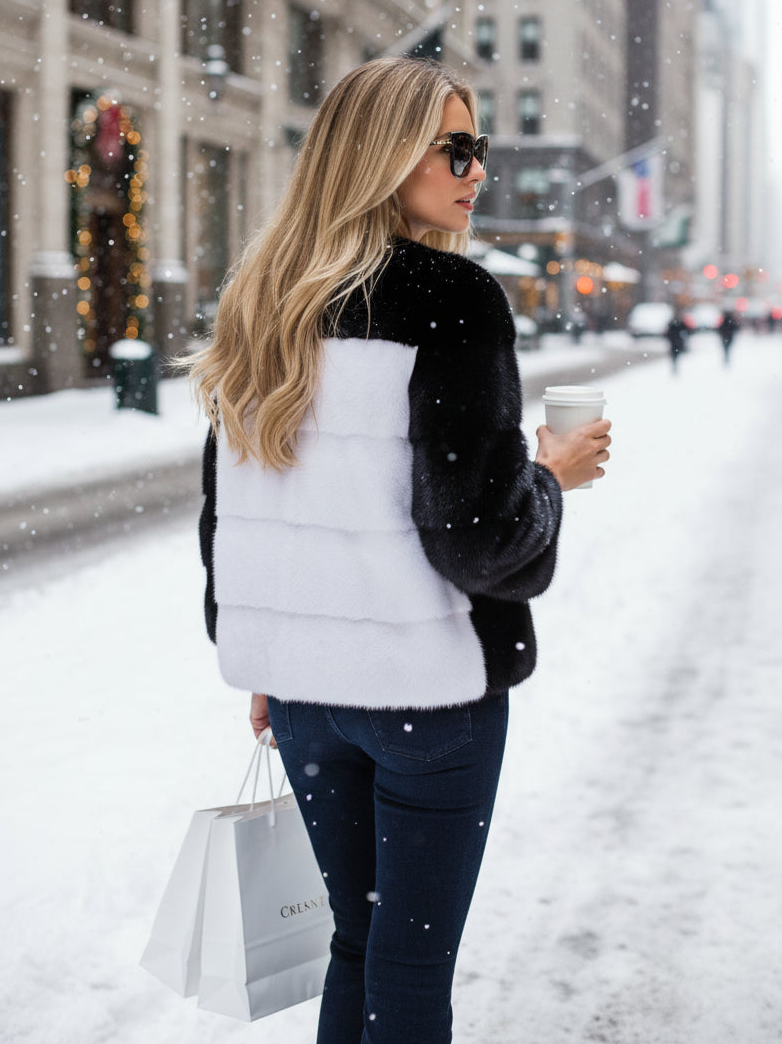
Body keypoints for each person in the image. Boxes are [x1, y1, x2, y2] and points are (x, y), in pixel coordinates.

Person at [188, 56, 612, 1044]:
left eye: (479, 149)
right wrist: (550, 474)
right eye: (453, 148)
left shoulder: (264, 295)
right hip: (428, 697)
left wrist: (273, 654)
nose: (476, 170)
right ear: (380, 157)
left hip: (304, 698)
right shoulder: (454, 296)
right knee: (407, 968)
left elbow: (231, 518)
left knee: (354, 943)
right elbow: (483, 541)